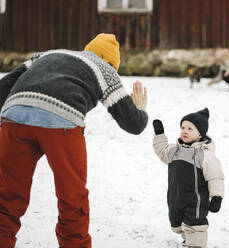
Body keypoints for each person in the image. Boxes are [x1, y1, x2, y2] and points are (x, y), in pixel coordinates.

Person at [0, 33, 148, 248]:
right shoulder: (104, 68)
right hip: (61, 122)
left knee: (7, 196)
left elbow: (4, 87)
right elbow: (134, 124)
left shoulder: (47, 54)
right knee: (72, 198)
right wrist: (140, 108)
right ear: (112, 63)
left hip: (14, 116)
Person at [152, 108, 224, 248]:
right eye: (183, 127)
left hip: (195, 199)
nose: (184, 131)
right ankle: (188, 240)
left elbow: (215, 177)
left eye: (190, 128)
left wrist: (216, 196)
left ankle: (196, 244)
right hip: (176, 197)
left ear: (199, 134)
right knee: (177, 222)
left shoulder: (205, 155)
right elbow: (161, 152)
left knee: (195, 224)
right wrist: (159, 134)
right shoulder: (174, 150)